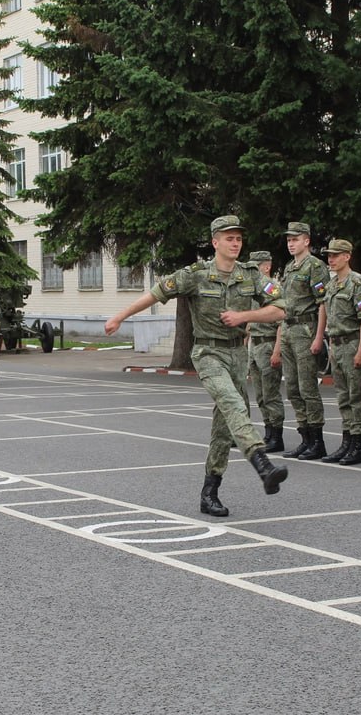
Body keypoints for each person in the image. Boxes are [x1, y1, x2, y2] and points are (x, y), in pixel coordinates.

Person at [105, 215, 289, 517]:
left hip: (237, 355)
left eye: (239, 238)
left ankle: (209, 492)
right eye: (229, 238)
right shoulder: (196, 274)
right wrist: (119, 317)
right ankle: (262, 464)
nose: (235, 243)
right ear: (215, 242)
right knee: (233, 404)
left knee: (223, 426)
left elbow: (281, 309)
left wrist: (244, 317)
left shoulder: (251, 276)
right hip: (208, 353)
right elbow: (156, 293)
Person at [272, 221, 329, 460]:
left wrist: (318, 336)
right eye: (288, 240)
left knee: (307, 388)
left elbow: (323, 303)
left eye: (295, 239)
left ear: (306, 241)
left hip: (306, 329)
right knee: (293, 388)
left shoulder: (315, 266)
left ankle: (317, 441)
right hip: (288, 329)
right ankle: (305, 437)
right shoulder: (289, 267)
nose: (290, 243)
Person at [319, 239, 361, 465]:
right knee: (343, 397)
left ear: (347, 256)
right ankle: (346, 441)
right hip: (337, 344)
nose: (331, 259)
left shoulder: (358, 282)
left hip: (352, 343)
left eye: (335, 255)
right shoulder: (331, 286)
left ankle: (357, 445)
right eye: (329, 255)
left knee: (356, 397)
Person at [245, 251, 285, 452]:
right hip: (255, 344)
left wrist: (277, 351)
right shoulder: (254, 290)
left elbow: (281, 324)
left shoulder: (272, 288)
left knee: (271, 393)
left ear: (266, 267)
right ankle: (268, 432)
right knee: (260, 395)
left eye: (256, 267)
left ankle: (276, 436)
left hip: (268, 344)